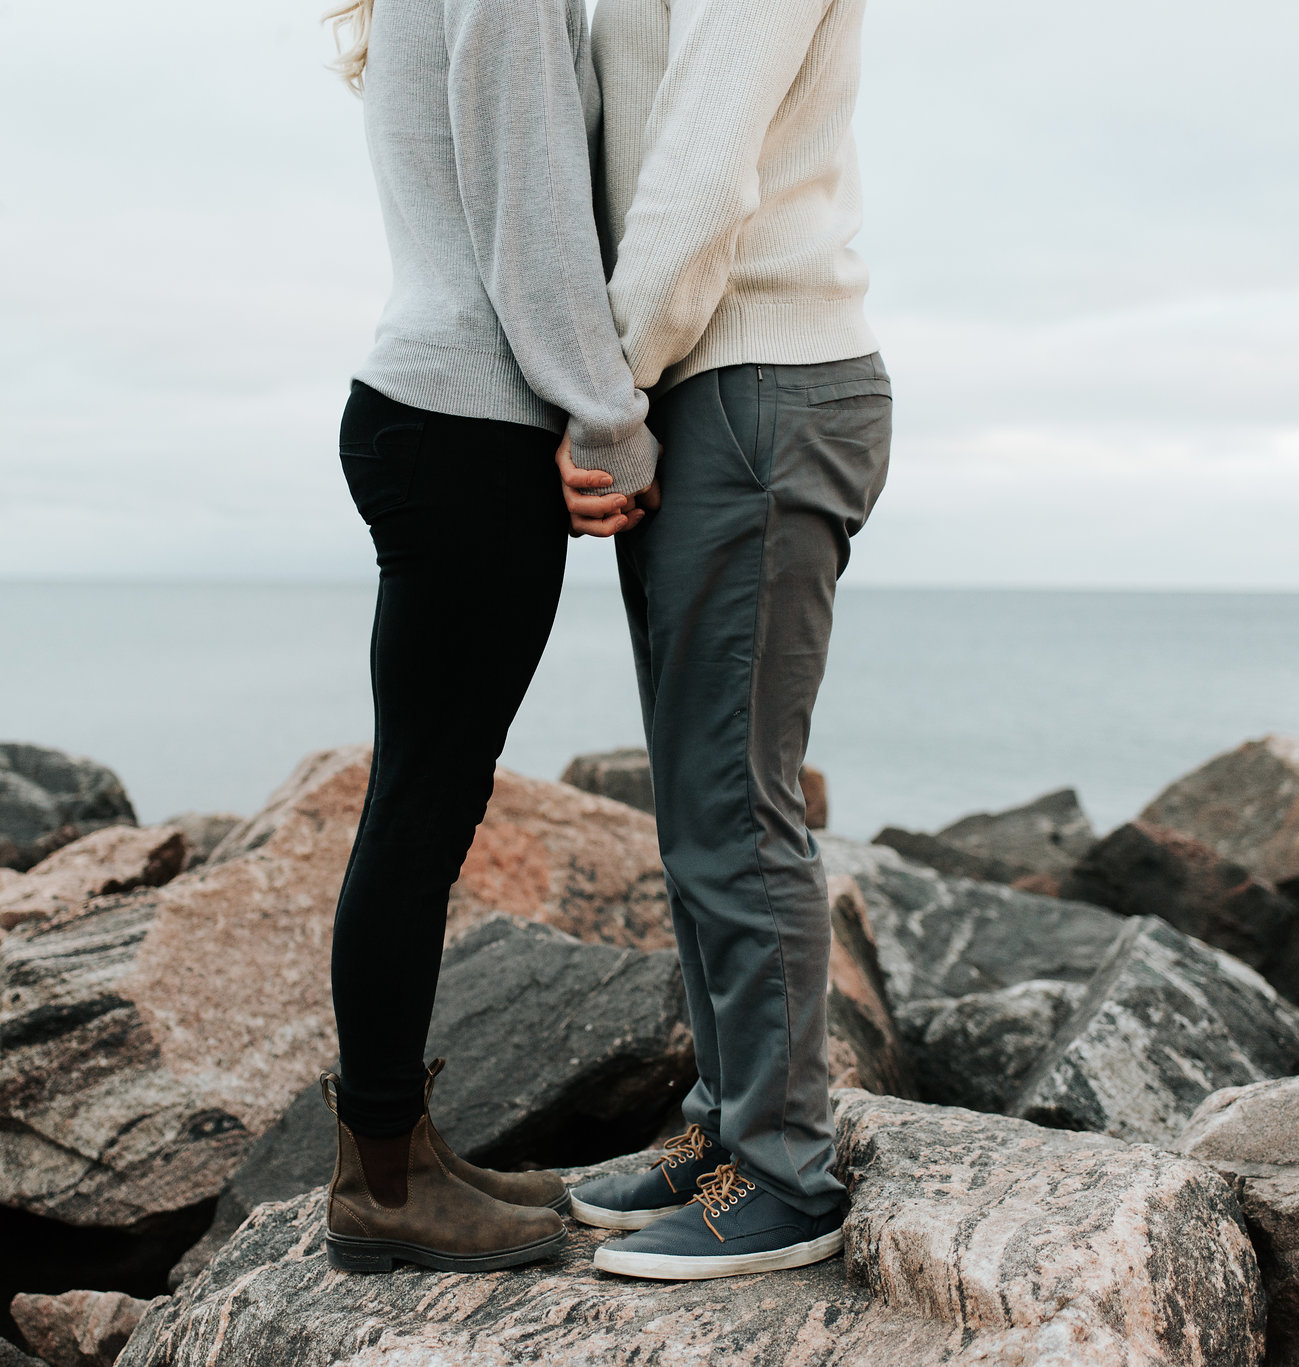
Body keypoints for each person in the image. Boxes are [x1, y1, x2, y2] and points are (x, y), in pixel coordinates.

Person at [312, 0, 657, 1274]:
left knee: (421, 802)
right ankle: (382, 1186)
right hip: (465, 421)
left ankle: (399, 1150)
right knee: (418, 812)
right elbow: (532, 222)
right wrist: (610, 421)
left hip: (427, 409)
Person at [562, 0, 894, 1281]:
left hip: (758, 383)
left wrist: (606, 398)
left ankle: (783, 1171)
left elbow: (699, 175)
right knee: (697, 805)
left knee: (732, 804)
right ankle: (724, 1126)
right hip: (716, 391)